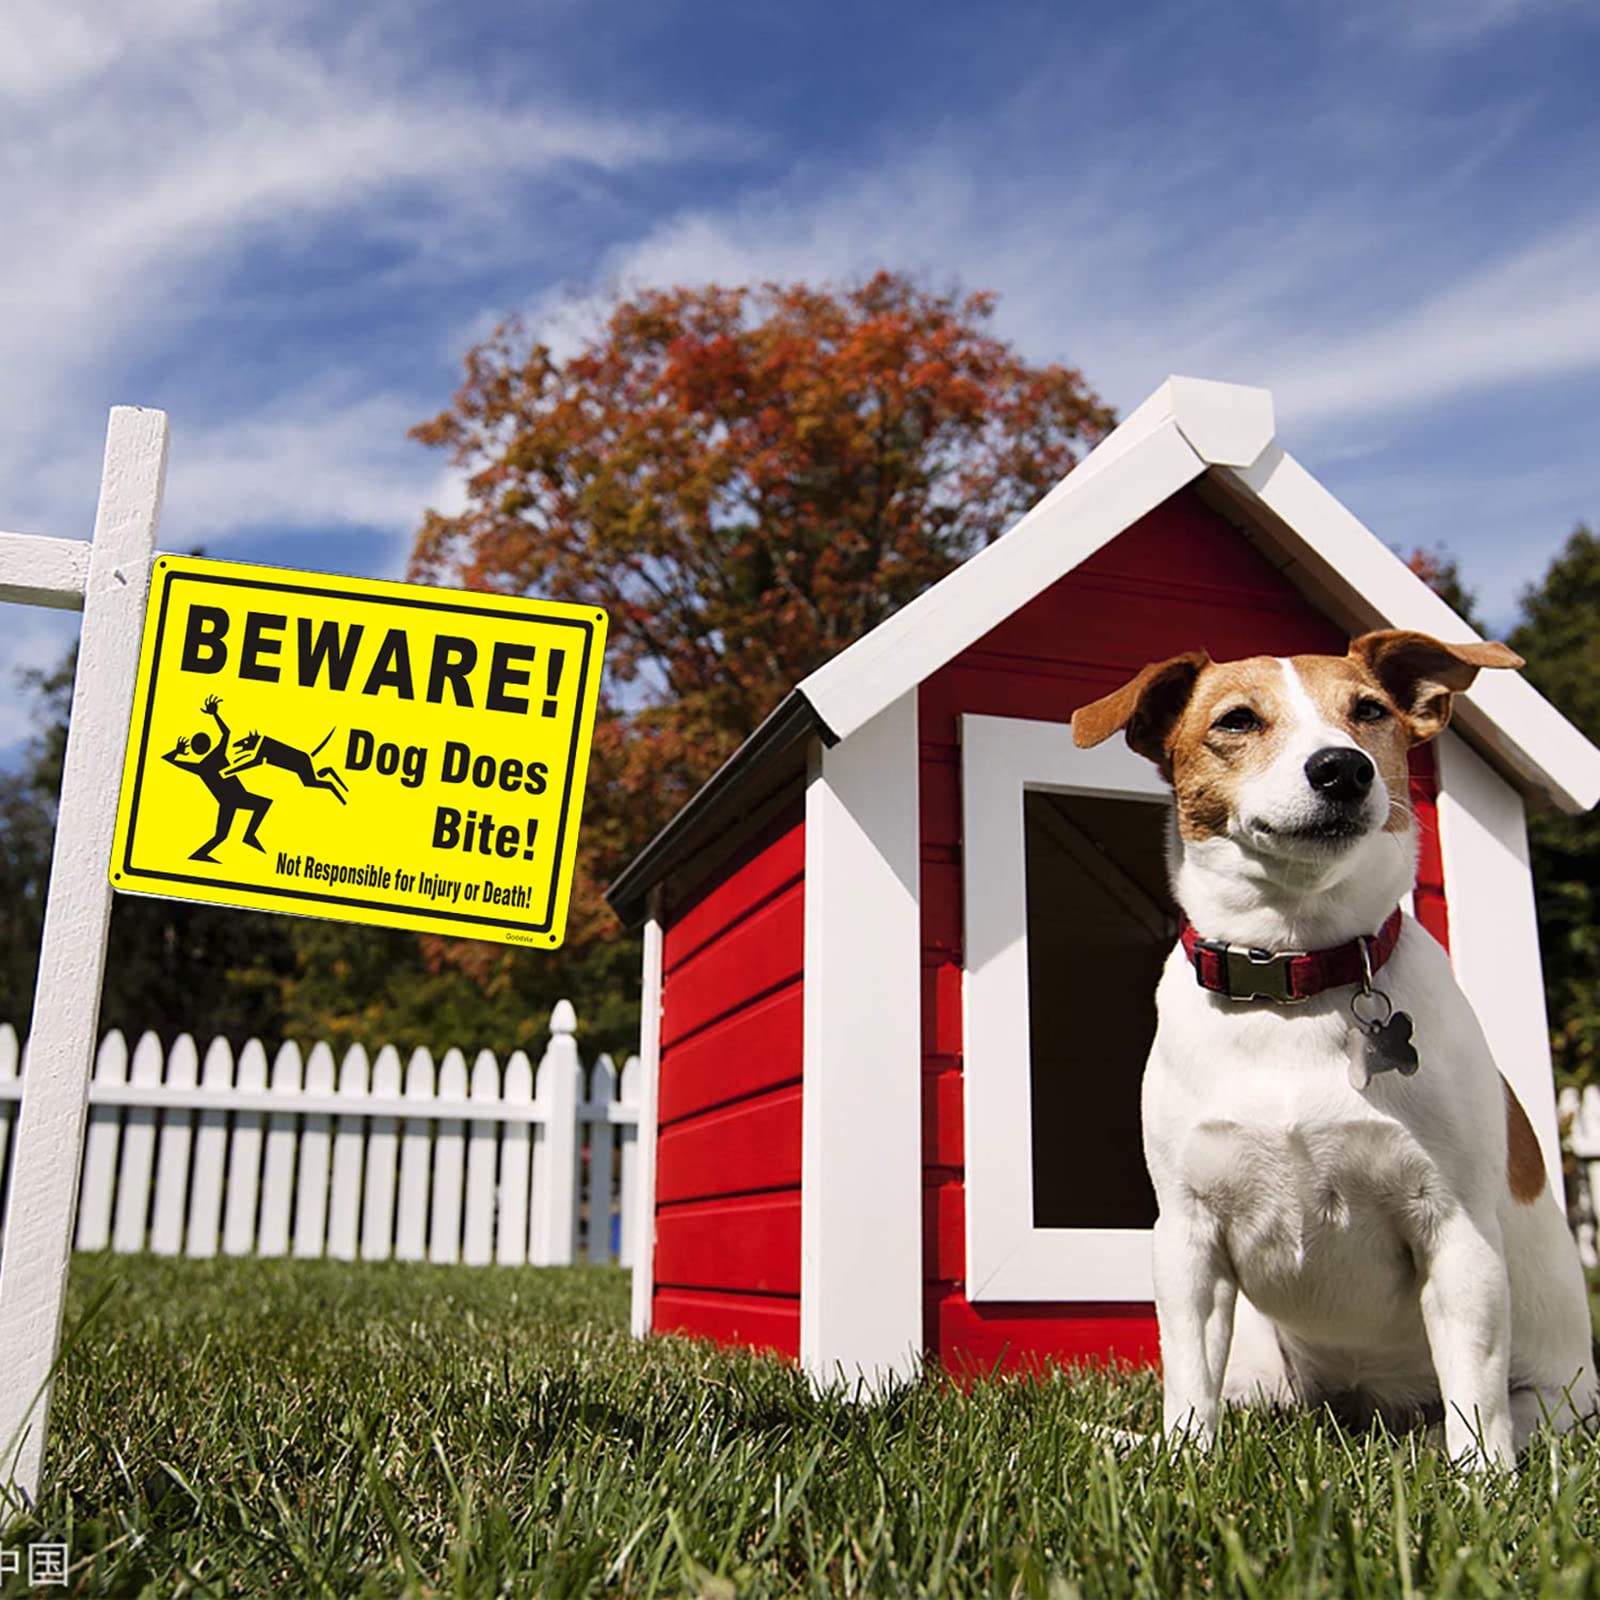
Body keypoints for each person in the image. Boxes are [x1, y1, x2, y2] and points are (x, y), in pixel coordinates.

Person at [162, 696, 272, 862]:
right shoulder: (216, 757)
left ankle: (205, 852)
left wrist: (178, 751)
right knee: (262, 805)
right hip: (236, 798)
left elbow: (170, 760)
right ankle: (247, 836)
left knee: (222, 835)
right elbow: (226, 733)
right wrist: (215, 715)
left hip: (228, 801)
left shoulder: (200, 767)